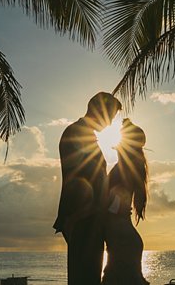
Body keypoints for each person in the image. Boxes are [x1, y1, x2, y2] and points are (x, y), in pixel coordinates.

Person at [54, 92, 122, 285]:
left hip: (87, 218)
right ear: (100, 111)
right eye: (110, 117)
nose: (109, 124)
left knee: (88, 276)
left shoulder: (83, 133)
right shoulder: (78, 134)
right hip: (84, 217)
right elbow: (85, 180)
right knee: (85, 277)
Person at [102, 118, 149, 285]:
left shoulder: (124, 169)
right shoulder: (129, 167)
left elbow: (116, 205)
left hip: (122, 238)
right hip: (123, 237)